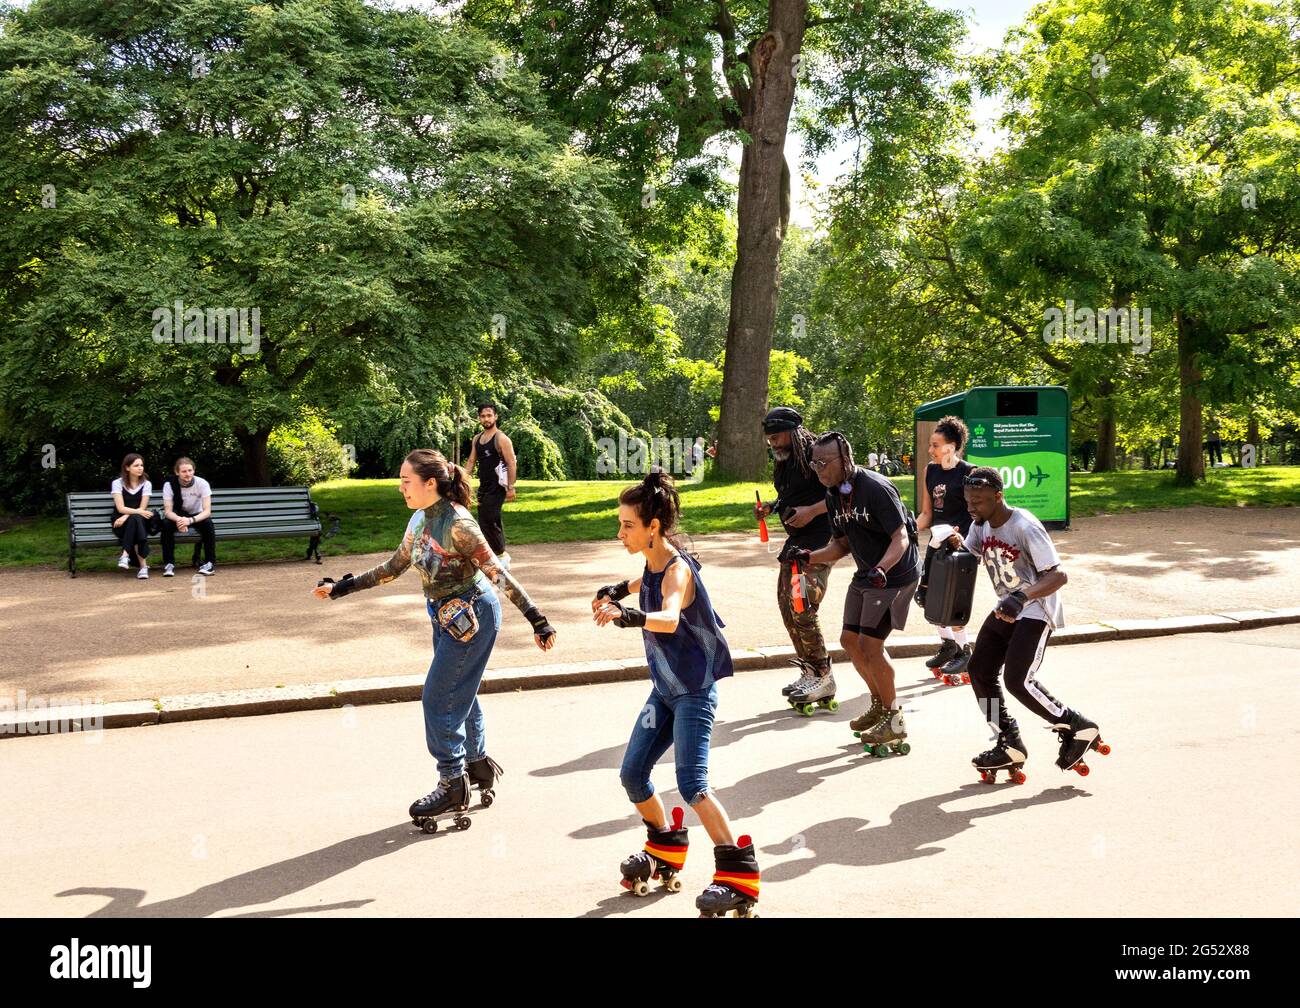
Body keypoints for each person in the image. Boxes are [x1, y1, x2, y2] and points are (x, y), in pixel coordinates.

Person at [314, 449, 556, 829]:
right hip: (443, 615)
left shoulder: (459, 524)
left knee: (437, 697)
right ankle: (476, 764)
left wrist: (537, 619)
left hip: (473, 614)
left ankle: (451, 781)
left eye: (406, 481)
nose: (401, 488)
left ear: (431, 484)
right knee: (462, 692)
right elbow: (394, 567)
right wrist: (341, 587)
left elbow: (497, 572)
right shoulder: (419, 519)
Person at [593, 470, 760, 918]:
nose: (620, 532)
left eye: (628, 524)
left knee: (693, 785)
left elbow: (666, 616)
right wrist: (615, 589)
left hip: (693, 694)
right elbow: (642, 581)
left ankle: (738, 874)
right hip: (665, 690)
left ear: (653, 527)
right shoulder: (654, 560)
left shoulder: (677, 570)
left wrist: (628, 616)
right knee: (632, 775)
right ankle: (665, 845)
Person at [943, 467, 1105, 780]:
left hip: (1035, 609)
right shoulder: (981, 524)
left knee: (1018, 680)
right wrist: (951, 546)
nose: (971, 508)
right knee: (979, 670)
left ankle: (1075, 723)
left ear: (998, 497)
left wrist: (1021, 598)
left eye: (978, 501)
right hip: (1007, 607)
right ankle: (1008, 740)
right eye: (968, 502)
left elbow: (1058, 576)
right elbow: (968, 556)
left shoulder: (1024, 526)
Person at [789, 431, 922, 757]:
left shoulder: (875, 487)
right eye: (814, 462)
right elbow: (841, 545)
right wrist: (809, 556)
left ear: (845, 459)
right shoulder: (835, 495)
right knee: (850, 641)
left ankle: (894, 718)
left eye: (824, 462)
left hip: (895, 574)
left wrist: (882, 569)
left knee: (870, 645)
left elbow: (901, 537)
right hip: (867, 574)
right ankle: (878, 704)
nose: (818, 469)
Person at [755, 407, 835, 709]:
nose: (773, 444)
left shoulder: (818, 453)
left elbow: (842, 490)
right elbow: (792, 495)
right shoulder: (787, 460)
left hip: (821, 542)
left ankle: (824, 675)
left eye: (776, 437)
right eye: (769, 440)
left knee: (803, 607)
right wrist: (772, 507)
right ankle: (810, 670)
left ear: (792, 431)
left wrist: (812, 512)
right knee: (787, 607)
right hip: (797, 543)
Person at [915, 416, 975, 682]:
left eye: (936, 445)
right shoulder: (931, 470)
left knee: (953, 603)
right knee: (927, 599)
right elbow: (927, 514)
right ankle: (949, 645)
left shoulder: (970, 473)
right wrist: (904, 532)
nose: (931, 450)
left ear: (951, 447)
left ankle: (965, 651)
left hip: (960, 548)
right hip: (936, 544)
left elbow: (980, 513)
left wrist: (965, 538)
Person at [464, 403, 516, 568]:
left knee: (490, 518)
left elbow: (511, 463)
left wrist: (510, 487)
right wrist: (463, 480)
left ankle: (502, 556)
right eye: (483, 416)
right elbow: (472, 461)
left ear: (495, 417)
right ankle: (493, 554)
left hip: (498, 486)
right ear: (479, 418)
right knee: (484, 520)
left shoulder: (501, 438)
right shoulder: (477, 439)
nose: (486, 419)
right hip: (484, 485)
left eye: (489, 415)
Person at [160, 457, 215, 577]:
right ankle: (169, 563)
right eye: (184, 471)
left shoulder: (202, 483)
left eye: (190, 470)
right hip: (177, 515)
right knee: (166, 524)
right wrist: (180, 520)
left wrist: (189, 521)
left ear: (194, 470)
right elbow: (168, 511)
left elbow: (207, 511)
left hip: (197, 516)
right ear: (177, 472)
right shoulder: (169, 485)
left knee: (208, 524)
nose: (187, 474)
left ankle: (209, 563)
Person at [110, 453, 154, 579]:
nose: (140, 468)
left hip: (137, 519)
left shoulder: (146, 484)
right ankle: (143, 567)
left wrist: (127, 516)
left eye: (141, 465)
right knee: (136, 522)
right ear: (127, 468)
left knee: (136, 520)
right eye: (136, 465)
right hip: (120, 522)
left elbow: (142, 507)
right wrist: (126, 516)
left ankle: (125, 556)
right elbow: (120, 508)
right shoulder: (117, 483)